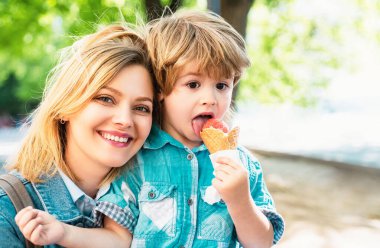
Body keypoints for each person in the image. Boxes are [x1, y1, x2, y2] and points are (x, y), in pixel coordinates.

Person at [16, 10, 284, 247]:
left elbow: (262, 242)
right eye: (193, 84)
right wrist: (63, 232)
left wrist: (240, 201)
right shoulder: (135, 161)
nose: (210, 99)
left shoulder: (242, 164)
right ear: (161, 90)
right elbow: (119, 239)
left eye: (222, 86)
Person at [1, 23, 157, 247]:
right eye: (106, 99)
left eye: (142, 108)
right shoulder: (7, 210)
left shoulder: (160, 208)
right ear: (66, 106)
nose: (125, 119)